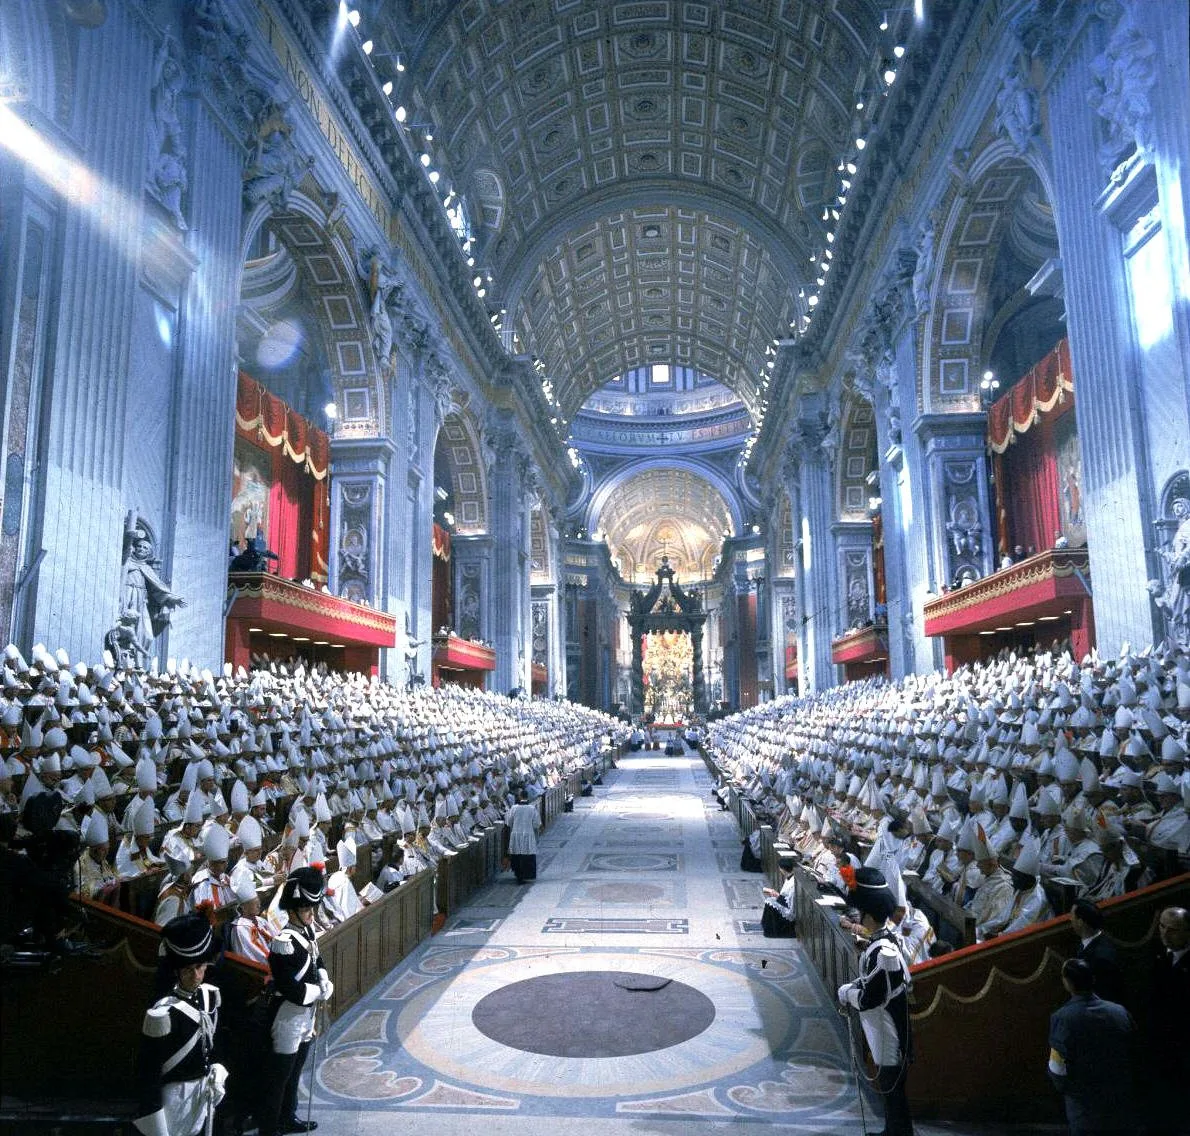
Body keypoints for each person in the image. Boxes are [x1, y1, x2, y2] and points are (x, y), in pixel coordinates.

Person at [836, 867, 915, 1136]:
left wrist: (847, 993)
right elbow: (873, 982)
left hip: (888, 1030)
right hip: (883, 1025)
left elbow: (870, 998)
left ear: (868, 915)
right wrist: (855, 986)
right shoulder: (883, 941)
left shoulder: (884, 951)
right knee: (890, 1089)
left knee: (892, 1089)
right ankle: (893, 1131)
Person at [133, 913, 227, 1136]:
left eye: (199, 967)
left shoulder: (209, 997)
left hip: (203, 1092)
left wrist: (218, 1068)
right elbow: (148, 1074)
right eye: (187, 970)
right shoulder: (163, 1013)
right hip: (175, 1100)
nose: (195, 976)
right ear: (176, 971)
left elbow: (214, 1045)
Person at [259, 866, 332, 1136]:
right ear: (292, 911)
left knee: (295, 1072)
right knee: (280, 1076)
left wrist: (324, 978)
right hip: (288, 1016)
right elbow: (292, 990)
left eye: (312, 909)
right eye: (306, 909)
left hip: (305, 1016)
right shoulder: (283, 942)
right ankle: (269, 1126)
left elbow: (317, 960)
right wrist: (318, 991)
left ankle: (288, 1116)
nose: (311, 914)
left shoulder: (307, 933)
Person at [1047, 958, 1137, 1136]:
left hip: (1085, 1110)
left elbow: (1057, 1069)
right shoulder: (1119, 1012)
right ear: (1093, 979)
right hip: (1121, 1104)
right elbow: (1134, 1051)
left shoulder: (1062, 1018)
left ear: (1067, 983)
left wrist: (1070, 1091)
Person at [1147, 906, 1190, 1136]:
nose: (1164, 933)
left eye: (1172, 930)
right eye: (1162, 927)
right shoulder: (1156, 954)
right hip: (1160, 1045)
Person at [1070, 899, 1125, 1007]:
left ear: (1080, 922)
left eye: (1072, 916)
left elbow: (1105, 998)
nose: (1070, 919)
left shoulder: (1101, 958)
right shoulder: (1087, 944)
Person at [506, 789, 541, 884]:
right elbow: (536, 824)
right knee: (527, 854)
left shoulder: (514, 808)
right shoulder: (532, 808)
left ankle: (518, 875)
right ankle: (527, 875)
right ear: (527, 797)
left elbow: (509, 822)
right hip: (528, 833)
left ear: (520, 797)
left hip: (516, 834)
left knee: (517, 854)